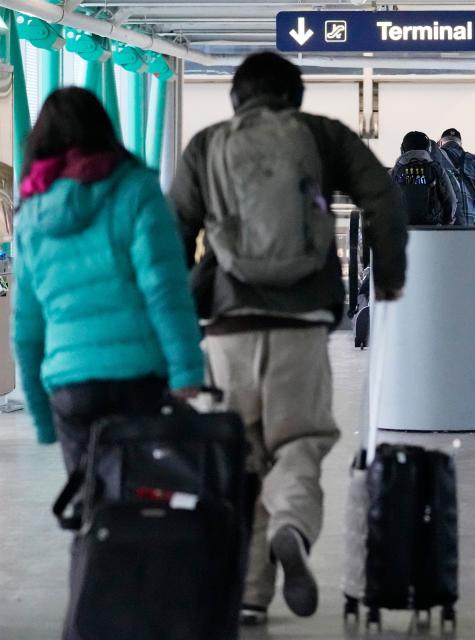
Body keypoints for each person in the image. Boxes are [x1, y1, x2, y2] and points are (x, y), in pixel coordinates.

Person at [169, 51, 407, 627]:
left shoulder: (207, 145)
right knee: (299, 441)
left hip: (227, 329)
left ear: (236, 98)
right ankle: (291, 527)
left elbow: (173, 230)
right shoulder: (321, 135)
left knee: (242, 459)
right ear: (294, 96)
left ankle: (250, 595)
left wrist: (179, 319)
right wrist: (390, 277)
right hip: (301, 325)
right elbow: (382, 195)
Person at [11, 87, 204, 633]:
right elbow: (166, 291)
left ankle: (87, 626)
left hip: (71, 389)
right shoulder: (135, 191)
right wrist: (188, 372)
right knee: (147, 512)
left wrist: (42, 414)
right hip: (137, 382)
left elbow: (26, 326)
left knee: (93, 517)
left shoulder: (30, 215)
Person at [392, 131, 457, 226]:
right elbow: (451, 201)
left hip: (402, 228)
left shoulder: (394, 172)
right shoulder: (437, 169)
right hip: (431, 228)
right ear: (429, 149)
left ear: (402, 149)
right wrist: (446, 223)